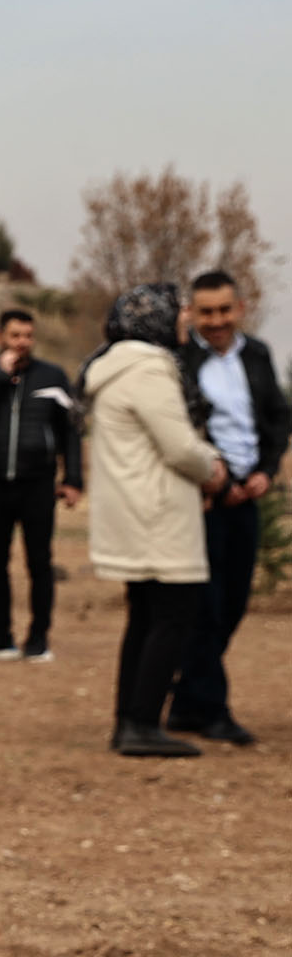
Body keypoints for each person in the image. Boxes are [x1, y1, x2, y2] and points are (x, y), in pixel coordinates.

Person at [82, 282, 230, 759]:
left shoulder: (114, 368)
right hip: (158, 512)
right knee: (172, 616)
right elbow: (179, 446)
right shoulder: (148, 370)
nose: (185, 319)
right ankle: (142, 722)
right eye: (179, 311)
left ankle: (130, 718)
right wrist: (214, 468)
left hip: (132, 509)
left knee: (145, 617)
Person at [167, 268, 287, 744]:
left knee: (234, 603)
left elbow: (277, 418)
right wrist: (217, 483)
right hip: (205, 502)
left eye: (223, 310)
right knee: (207, 607)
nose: (215, 321)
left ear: (239, 309)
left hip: (249, 496)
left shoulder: (257, 355)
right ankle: (213, 710)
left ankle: (185, 703)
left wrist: (265, 471)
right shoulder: (179, 361)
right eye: (205, 312)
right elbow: (179, 427)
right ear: (191, 314)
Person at [0, 306, 83, 661]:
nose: (22, 343)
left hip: (37, 484)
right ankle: (0, 635)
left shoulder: (53, 378)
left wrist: (73, 478)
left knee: (39, 562)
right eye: (15, 336)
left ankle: (38, 637)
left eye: (28, 336)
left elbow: (70, 431)